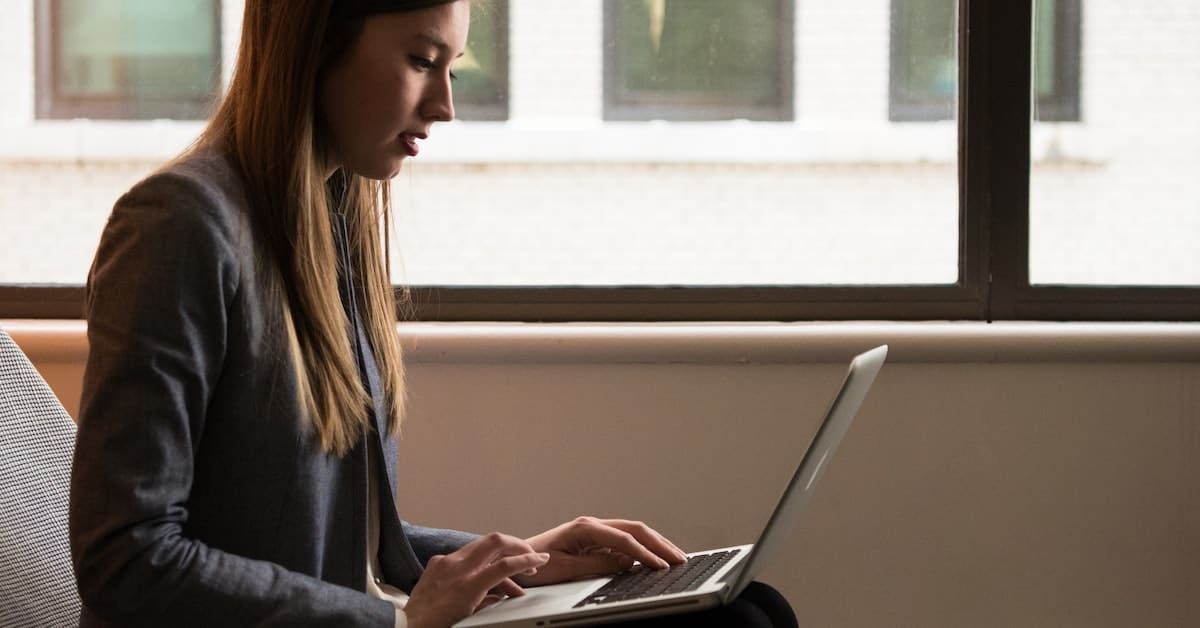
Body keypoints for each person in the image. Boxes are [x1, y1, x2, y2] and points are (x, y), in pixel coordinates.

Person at [68, 1, 799, 627]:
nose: (444, 105)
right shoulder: (177, 227)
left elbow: (347, 548)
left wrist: (528, 560)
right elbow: (125, 556)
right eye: (422, 60)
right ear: (315, 41)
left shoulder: (331, 215)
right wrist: (398, 620)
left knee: (748, 605)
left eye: (452, 68)